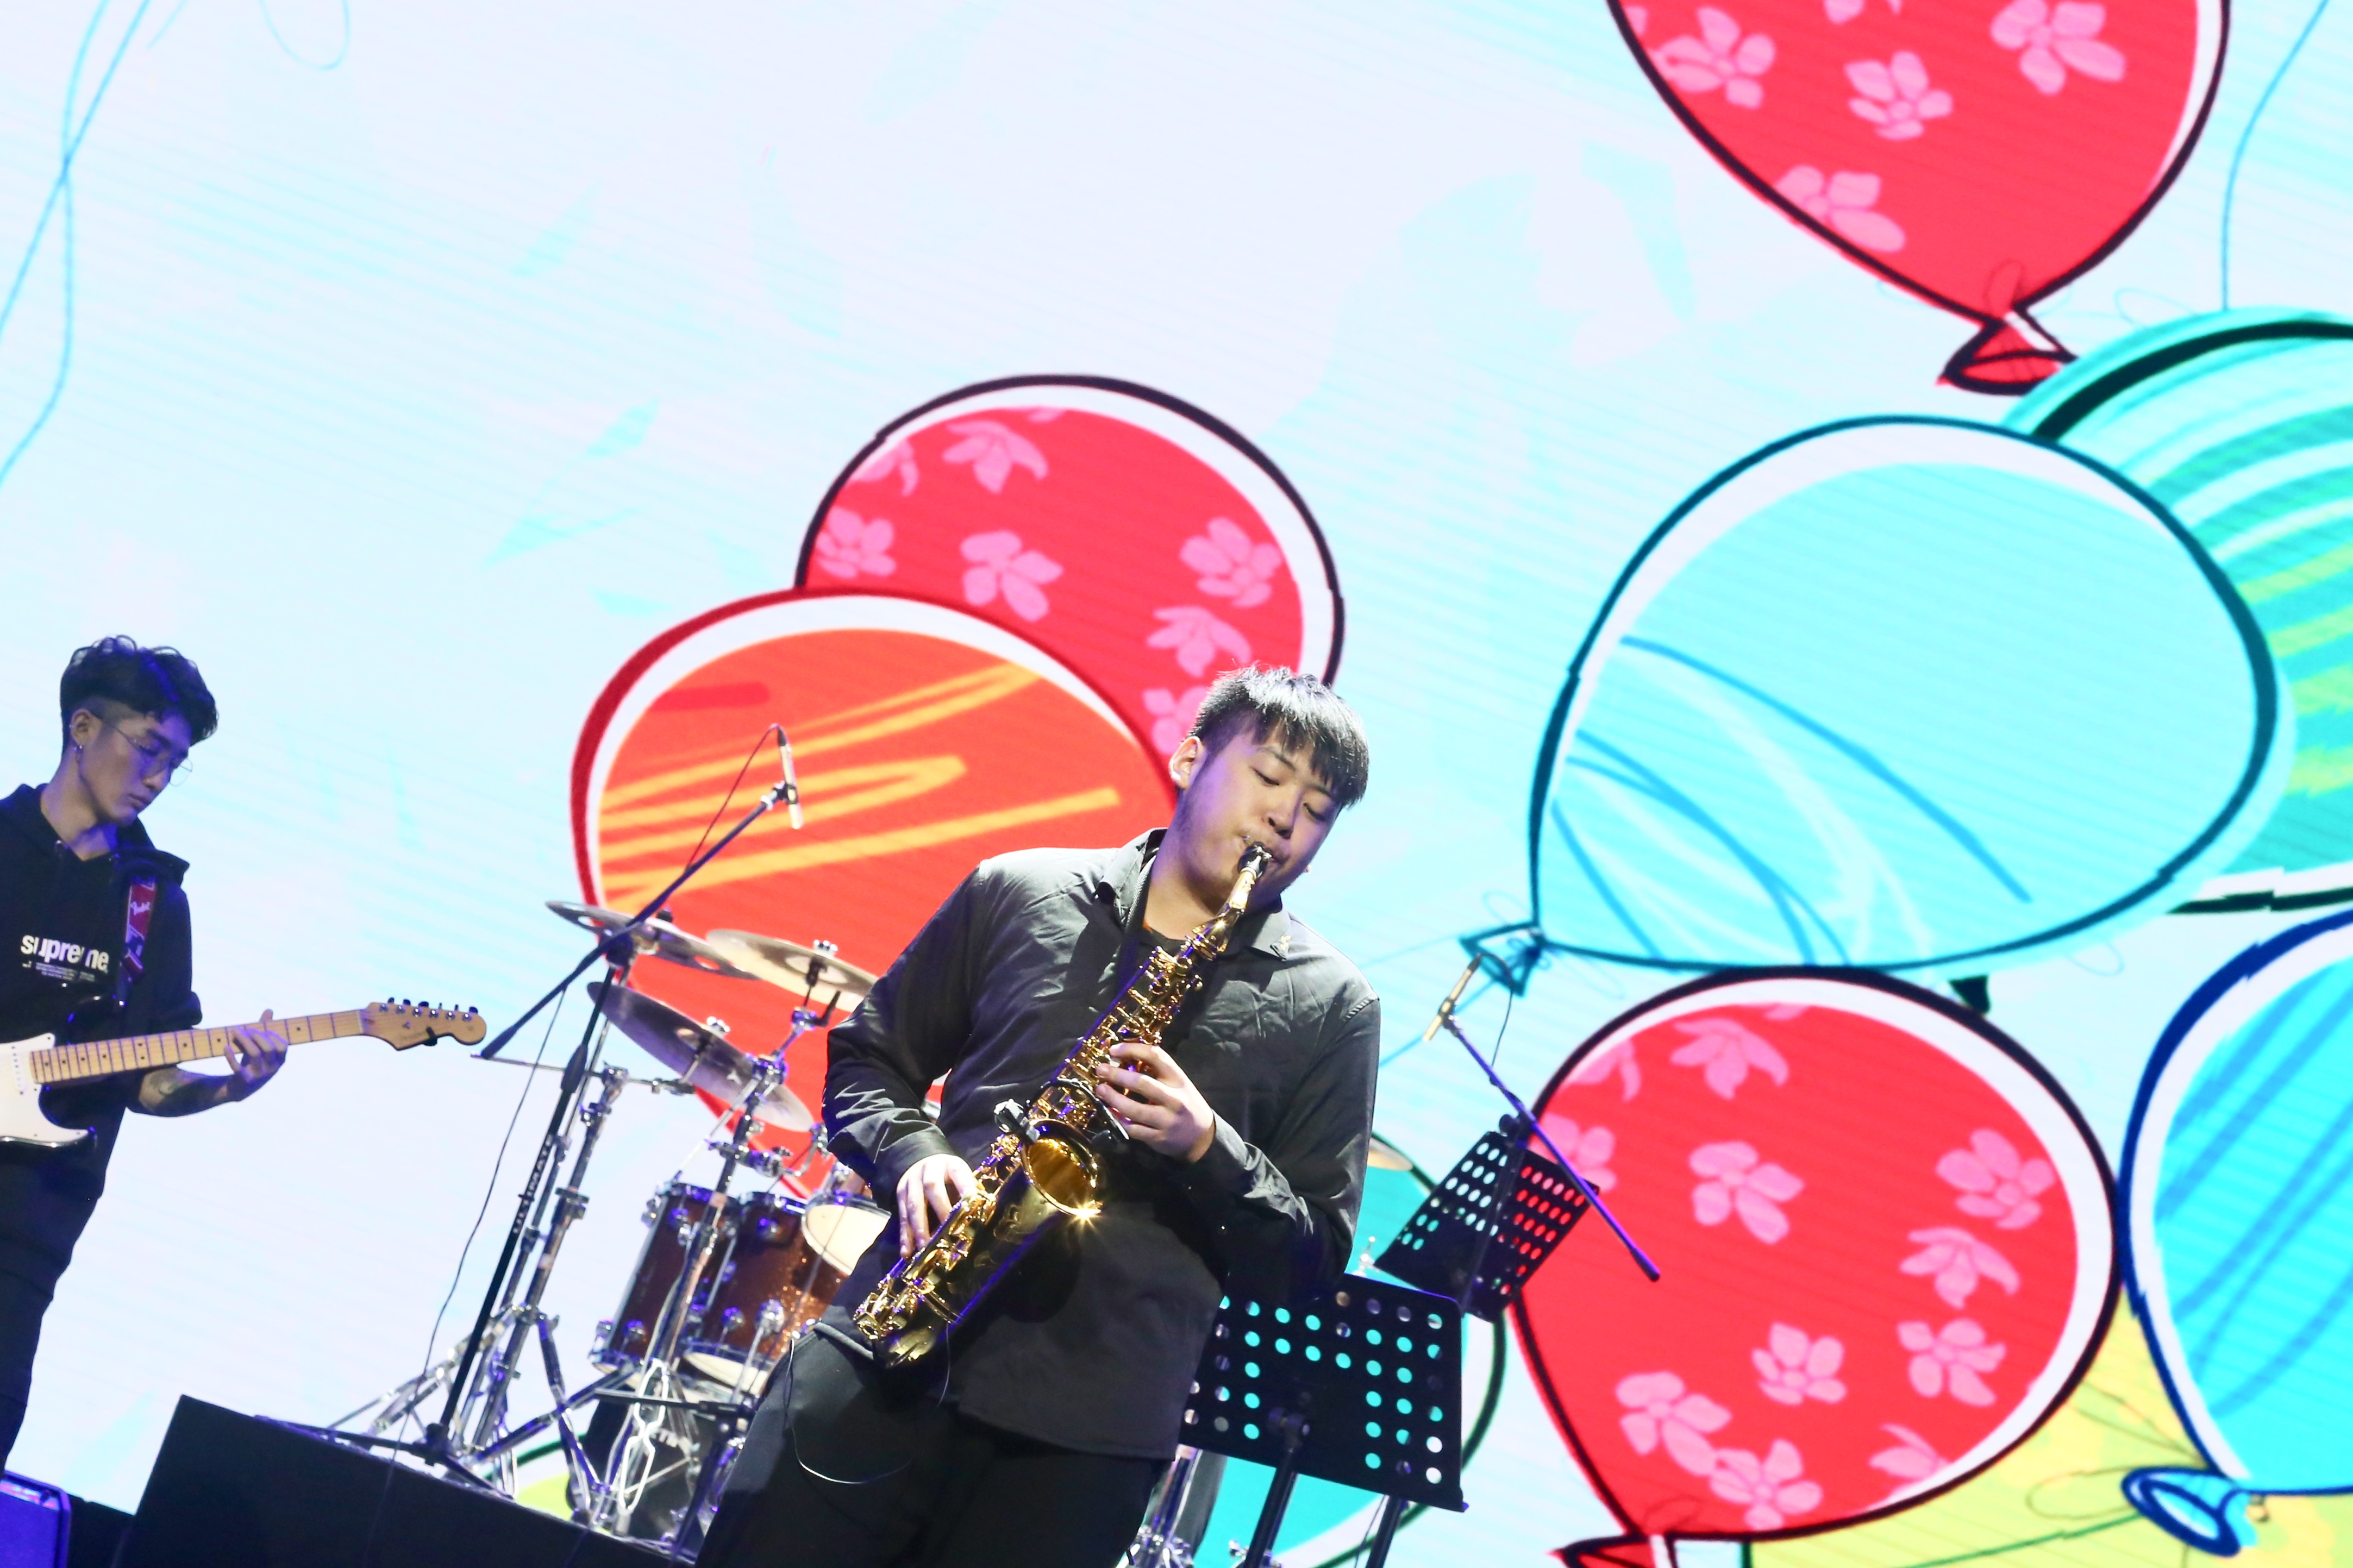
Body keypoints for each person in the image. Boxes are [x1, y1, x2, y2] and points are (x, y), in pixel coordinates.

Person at [699, 664, 1378, 1568]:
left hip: (1082, 1448)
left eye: (1318, 809)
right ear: (1189, 759)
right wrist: (913, 1154)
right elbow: (869, 1060)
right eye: (1267, 776)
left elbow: (1312, 1258)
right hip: (882, 1355)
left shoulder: (1332, 1006)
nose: (1285, 819)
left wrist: (1207, 1148)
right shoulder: (1019, 888)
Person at [0, 638, 287, 1465]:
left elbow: (148, 1077)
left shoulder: (154, 901)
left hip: (27, 1230)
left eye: (175, 762)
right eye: (149, 747)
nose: (158, 776)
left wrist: (228, 1088)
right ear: (83, 727)